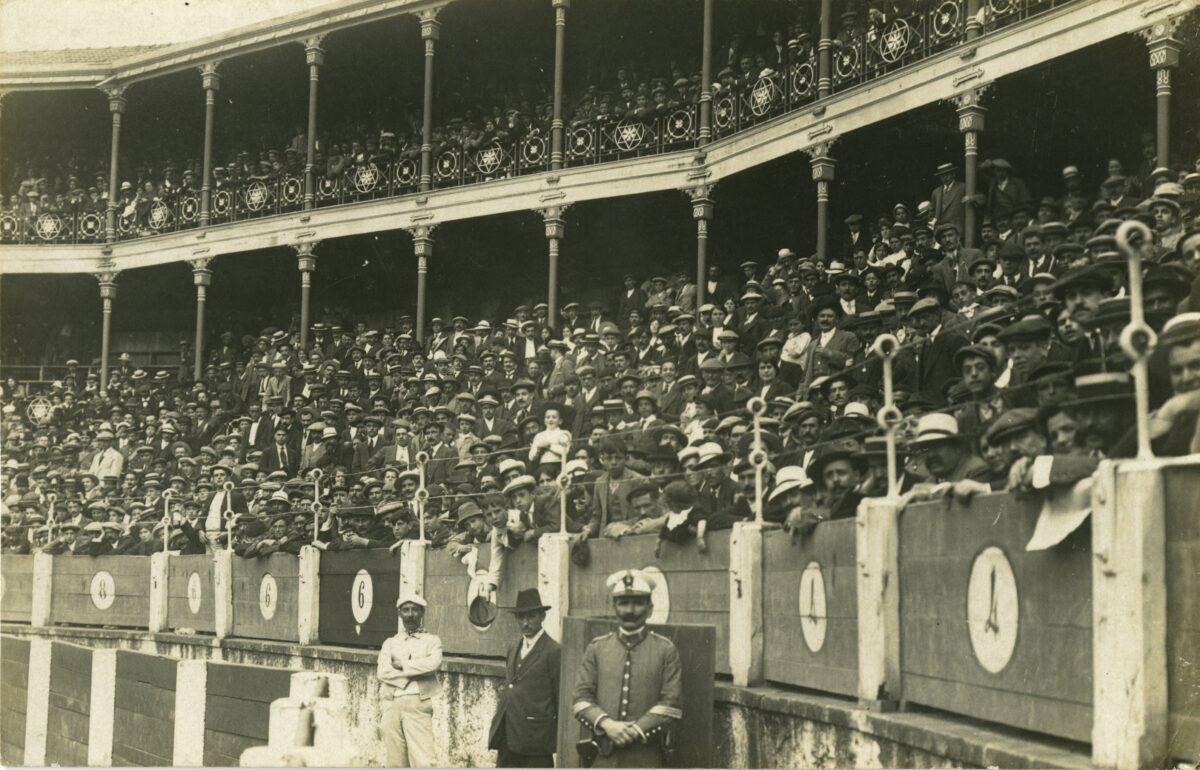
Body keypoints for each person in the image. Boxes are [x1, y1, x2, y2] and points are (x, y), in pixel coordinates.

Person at [572, 568, 682, 768]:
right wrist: (608, 725)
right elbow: (581, 699)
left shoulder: (666, 650)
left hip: (646, 758)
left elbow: (671, 704)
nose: (630, 610)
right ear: (613, 607)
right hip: (603, 759)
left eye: (638, 603)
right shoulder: (597, 648)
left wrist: (634, 731)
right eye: (623, 603)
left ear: (650, 608)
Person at [488, 588, 561, 768]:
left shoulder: (554, 651)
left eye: (531, 616)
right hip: (508, 735)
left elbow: (559, 699)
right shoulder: (513, 648)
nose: (525, 623)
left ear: (542, 616)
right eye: (521, 617)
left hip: (536, 740)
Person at [377, 592, 443, 768]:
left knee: (424, 759)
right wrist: (413, 674)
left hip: (418, 703)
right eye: (405, 610)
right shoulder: (390, 642)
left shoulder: (432, 641)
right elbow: (383, 672)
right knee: (395, 760)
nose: (410, 614)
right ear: (400, 614)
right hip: (391, 703)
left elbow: (433, 664)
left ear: (422, 613)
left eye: (415, 610)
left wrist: (403, 665)